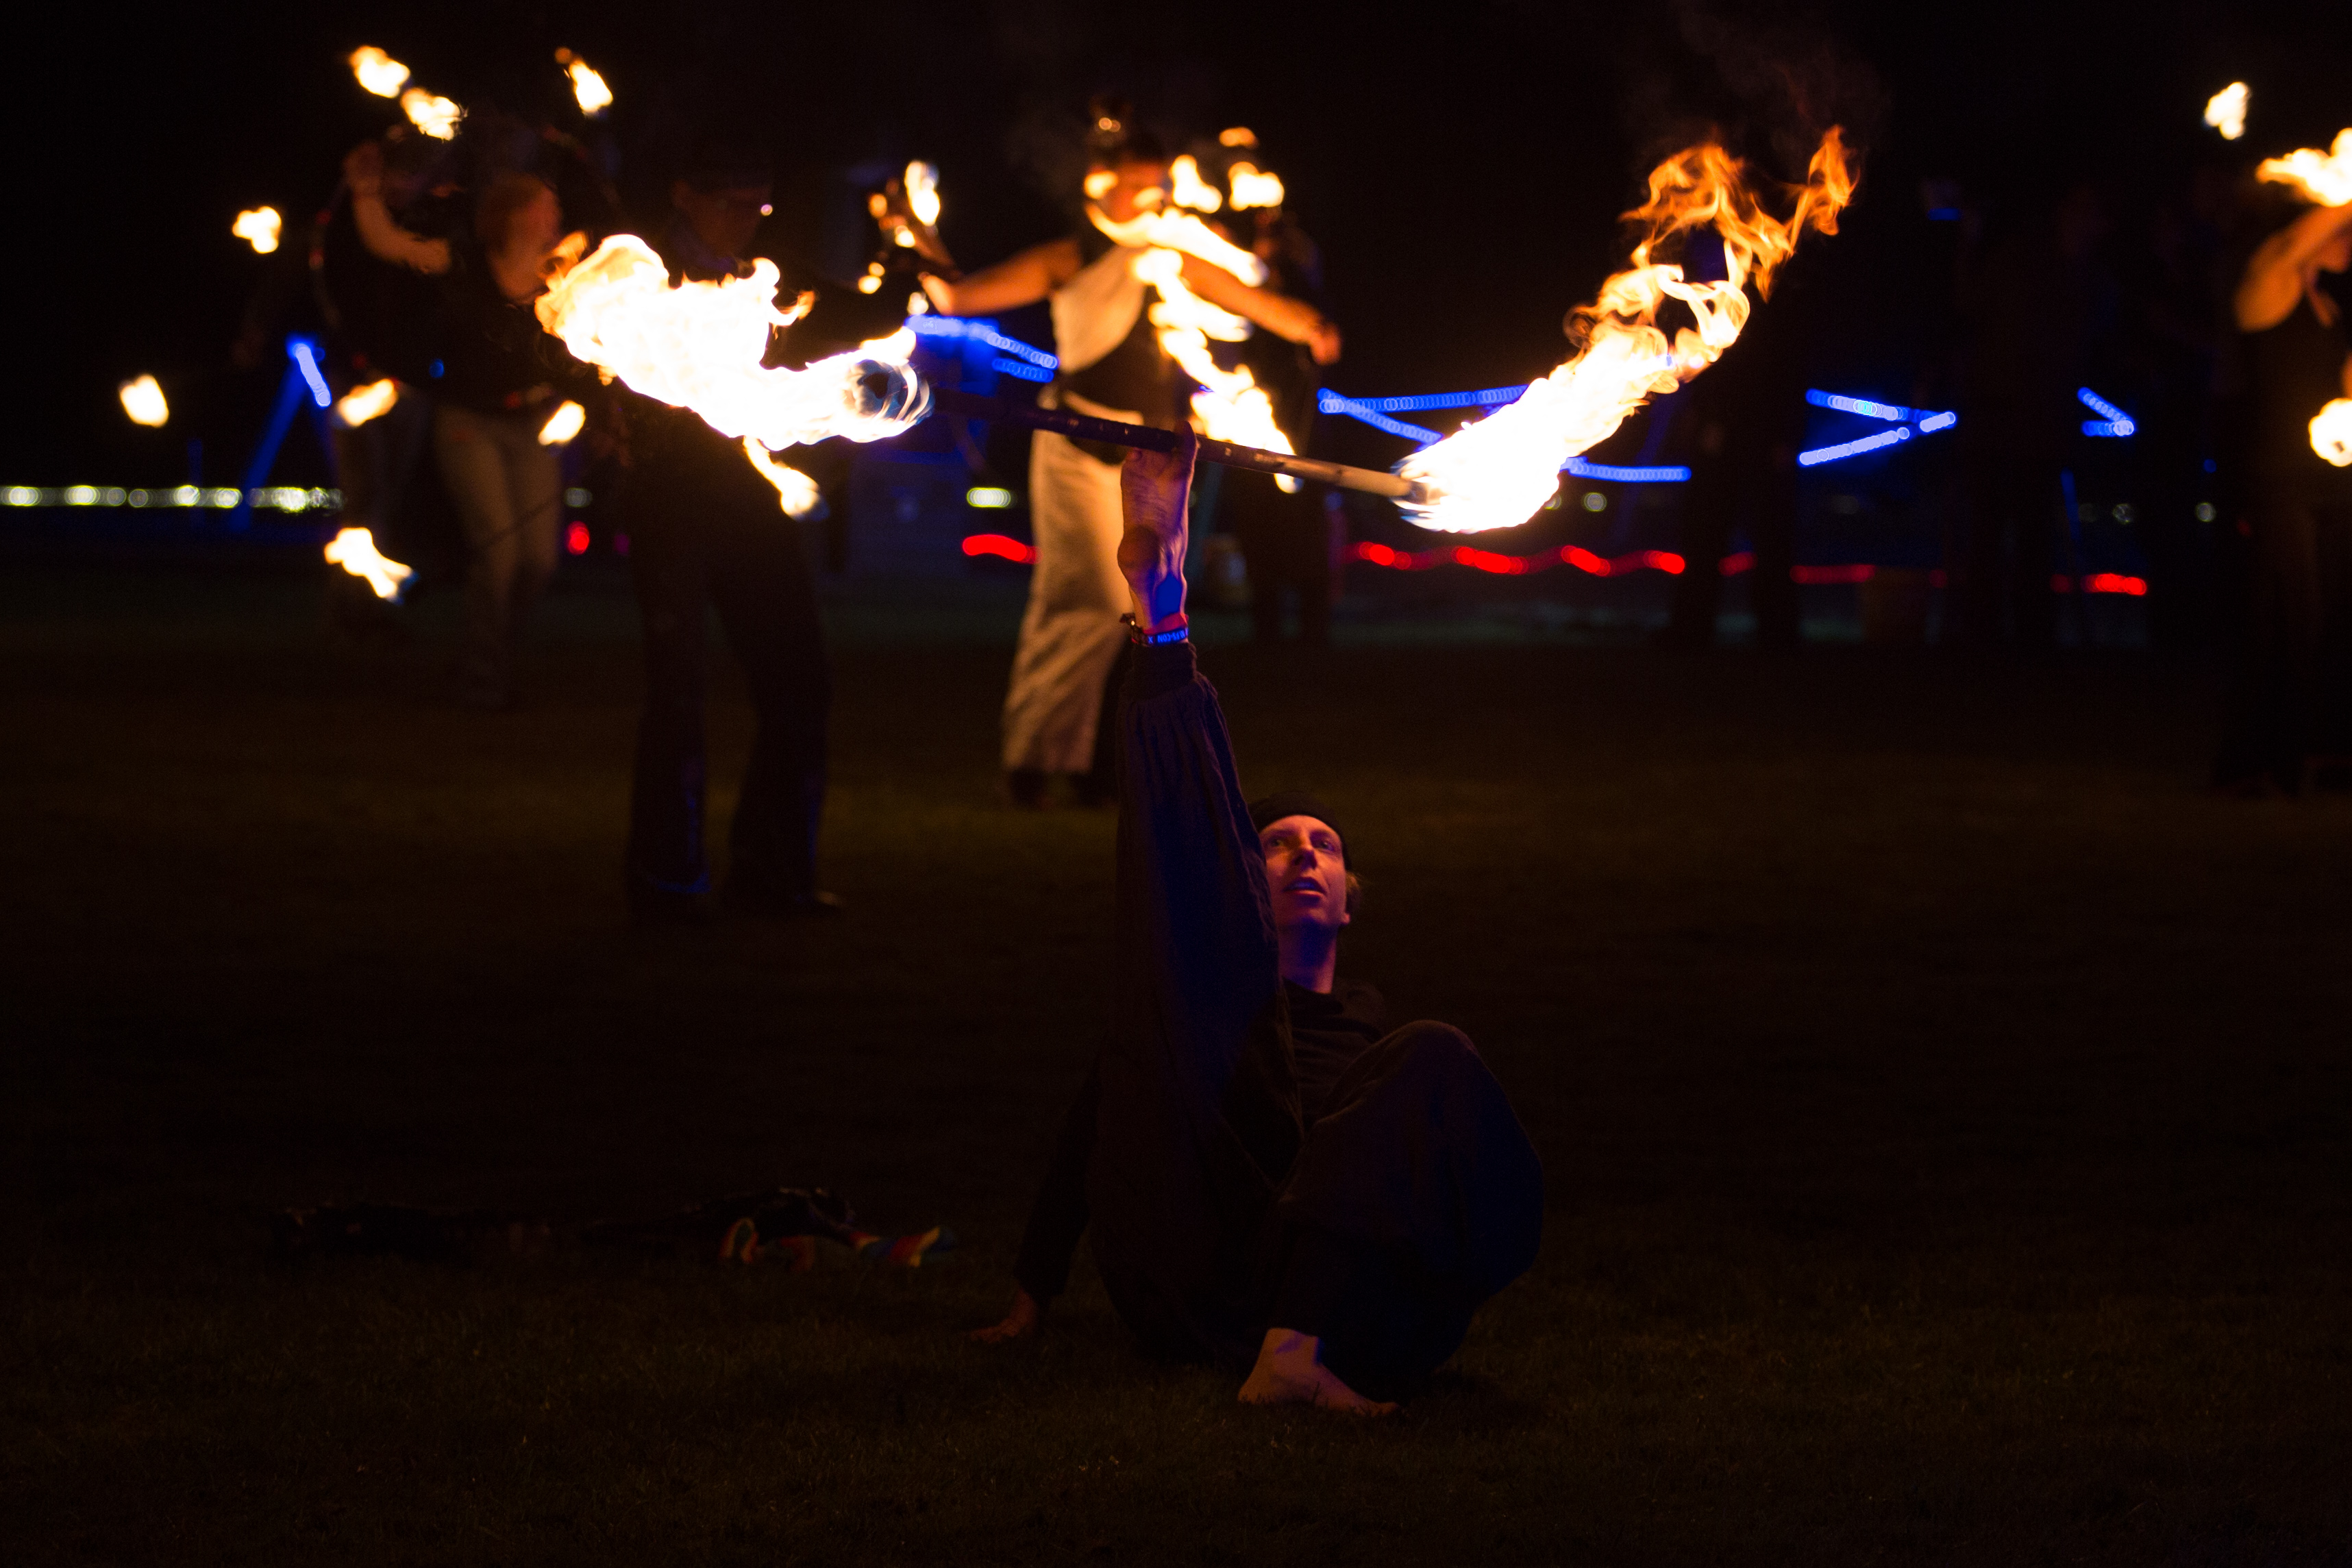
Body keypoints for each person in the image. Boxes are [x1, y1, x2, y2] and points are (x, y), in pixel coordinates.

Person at [970, 430, 1543, 1412]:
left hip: (1335, 1290)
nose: (1303, 858)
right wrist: (1032, 1297)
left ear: (1351, 899)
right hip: (1204, 1270)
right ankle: (1162, 621)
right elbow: (1091, 1136)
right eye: (1275, 845)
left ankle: (1300, 1343)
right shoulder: (1195, 1010)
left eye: (1323, 846)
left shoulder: (1374, 1041)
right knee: (1187, 975)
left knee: (1438, 1056)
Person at [916, 106, 1340, 808]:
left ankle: (1096, 768)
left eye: (1158, 186)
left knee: (1138, 607)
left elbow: (1252, 301)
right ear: (1100, 183)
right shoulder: (1070, 257)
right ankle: (1034, 760)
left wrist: (1310, 326)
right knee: (1082, 601)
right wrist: (915, 232)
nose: (1152, 200)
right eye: (1137, 186)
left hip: (1146, 458)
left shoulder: (1176, 254)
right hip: (1074, 446)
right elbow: (959, 296)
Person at [617, 143, 843, 921]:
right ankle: (667, 878)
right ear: (684, 194)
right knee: (678, 691)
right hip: (671, 502)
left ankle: (774, 871)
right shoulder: (639, 273)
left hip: (752, 505)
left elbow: (826, 336)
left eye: (760, 204)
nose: (749, 219)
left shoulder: (766, 277)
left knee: (799, 681)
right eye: (732, 202)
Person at [344, 140, 599, 708]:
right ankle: (484, 676)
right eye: (544, 204)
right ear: (515, 214)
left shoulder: (563, 274)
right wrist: (365, 193)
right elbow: (388, 243)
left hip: (532, 425)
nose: (555, 213)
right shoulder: (464, 263)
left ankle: (495, 652)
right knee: (499, 552)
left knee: (539, 560)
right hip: (469, 424)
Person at [2212, 196, 2352, 793]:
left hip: (2331, 484)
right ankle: (2256, 761)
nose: (2347, 238)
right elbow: (2297, 241)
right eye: (2339, 228)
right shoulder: (2269, 280)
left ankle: (2323, 752)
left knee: (2335, 617)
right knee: (2287, 618)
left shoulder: (2328, 305)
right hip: (2278, 481)